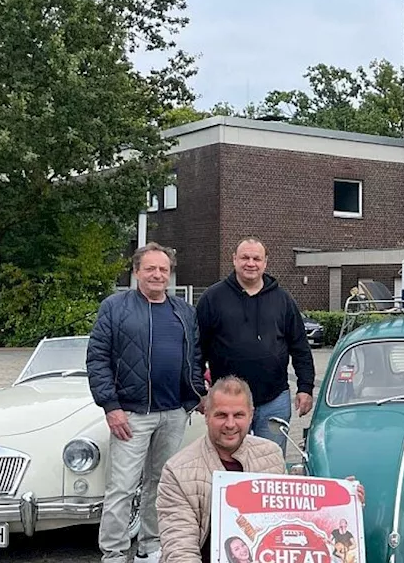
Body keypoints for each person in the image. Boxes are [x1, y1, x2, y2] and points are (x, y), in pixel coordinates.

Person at [156, 376, 364, 563]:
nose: (230, 424)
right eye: (221, 415)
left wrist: (342, 501)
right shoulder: (178, 471)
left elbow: (293, 514)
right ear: (207, 414)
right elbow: (179, 549)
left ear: (251, 415)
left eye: (238, 415)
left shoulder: (270, 453)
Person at [86, 242, 207, 563]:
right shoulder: (115, 307)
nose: (157, 274)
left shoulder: (184, 311)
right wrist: (110, 407)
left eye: (163, 269)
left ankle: (150, 547)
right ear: (136, 271)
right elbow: (97, 358)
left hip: (173, 413)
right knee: (122, 488)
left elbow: (195, 358)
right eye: (150, 268)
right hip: (130, 414)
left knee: (162, 484)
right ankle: (113, 553)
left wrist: (194, 396)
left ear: (170, 273)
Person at [197, 238, 316, 451]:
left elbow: (300, 347)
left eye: (256, 258)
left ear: (265, 263)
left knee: (270, 460)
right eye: (245, 257)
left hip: (274, 399)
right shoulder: (212, 298)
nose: (250, 263)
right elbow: (196, 350)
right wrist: (200, 392)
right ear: (234, 259)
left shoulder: (283, 300)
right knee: (227, 462)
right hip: (227, 403)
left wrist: (305, 387)